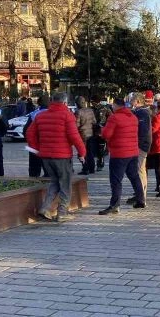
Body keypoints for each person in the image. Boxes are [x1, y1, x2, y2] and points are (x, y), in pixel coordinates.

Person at [26, 92, 86, 222]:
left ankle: (45, 208)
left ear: (52, 101)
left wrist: (37, 149)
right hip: (62, 156)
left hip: (46, 156)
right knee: (65, 184)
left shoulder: (41, 115)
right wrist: (82, 152)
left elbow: (29, 134)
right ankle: (62, 212)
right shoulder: (67, 116)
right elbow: (75, 137)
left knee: (54, 182)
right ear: (65, 103)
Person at [100, 98, 145, 214]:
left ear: (115, 105)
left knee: (116, 180)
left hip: (119, 153)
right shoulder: (133, 117)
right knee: (134, 176)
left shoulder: (114, 118)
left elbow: (106, 134)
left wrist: (102, 129)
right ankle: (140, 200)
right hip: (133, 152)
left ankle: (114, 205)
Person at [128, 93, 153, 204]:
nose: (130, 102)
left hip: (141, 146)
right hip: (141, 144)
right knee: (140, 170)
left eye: (132, 100)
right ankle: (140, 194)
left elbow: (143, 131)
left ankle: (141, 196)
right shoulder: (141, 112)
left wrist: (137, 143)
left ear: (137, 101)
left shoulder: (142, 113)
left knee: (139, 170)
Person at [23, 95, 49, 177]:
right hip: (49, 146)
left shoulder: (34, 114)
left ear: (39, 103)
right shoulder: (54, 114)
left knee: (34, 170)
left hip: (35, 146)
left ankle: (33, 186)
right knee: (48, 171)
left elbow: (26, 130)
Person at [75, 96, 97, 175]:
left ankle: (85, 168)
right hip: (90, 134)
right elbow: (94, 122)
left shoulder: (78, 112)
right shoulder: (90, 110)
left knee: (82, 152)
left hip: (82, 134)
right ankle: (92, 168)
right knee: (90, 152)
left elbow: (76, 125)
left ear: (77, 103)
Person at [91, 95, 112, 170]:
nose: (92, 103)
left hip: (101, 131)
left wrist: (105, 126)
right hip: (93, 131)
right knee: (94, 148)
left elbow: (111, 118)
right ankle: (95, 163)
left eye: (92, 102)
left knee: (101, 149)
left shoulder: (105, 108)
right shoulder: (91, 109)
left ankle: (100, 163)